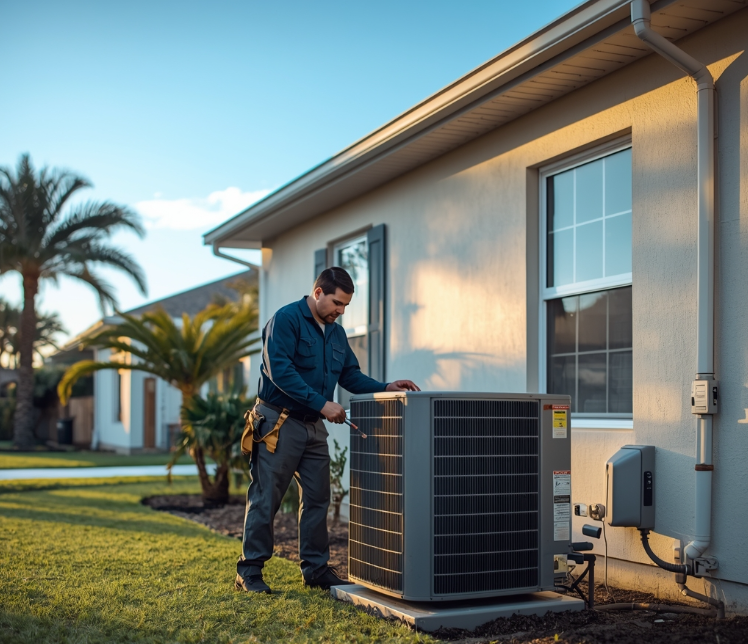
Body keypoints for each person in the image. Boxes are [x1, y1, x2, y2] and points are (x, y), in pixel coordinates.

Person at [235, 266, 420, 594]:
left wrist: (386, 386)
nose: (341, 310)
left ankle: (315, 570)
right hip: (278, 422)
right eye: (337, 302)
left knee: (319, 498)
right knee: (266, 498)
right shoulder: (286, 320)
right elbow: (280, 371)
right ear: (318, 292)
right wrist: (323, 404)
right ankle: (249, 571)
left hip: (313, 428)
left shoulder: (336, 333)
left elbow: (350, 376)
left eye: (346, 305)